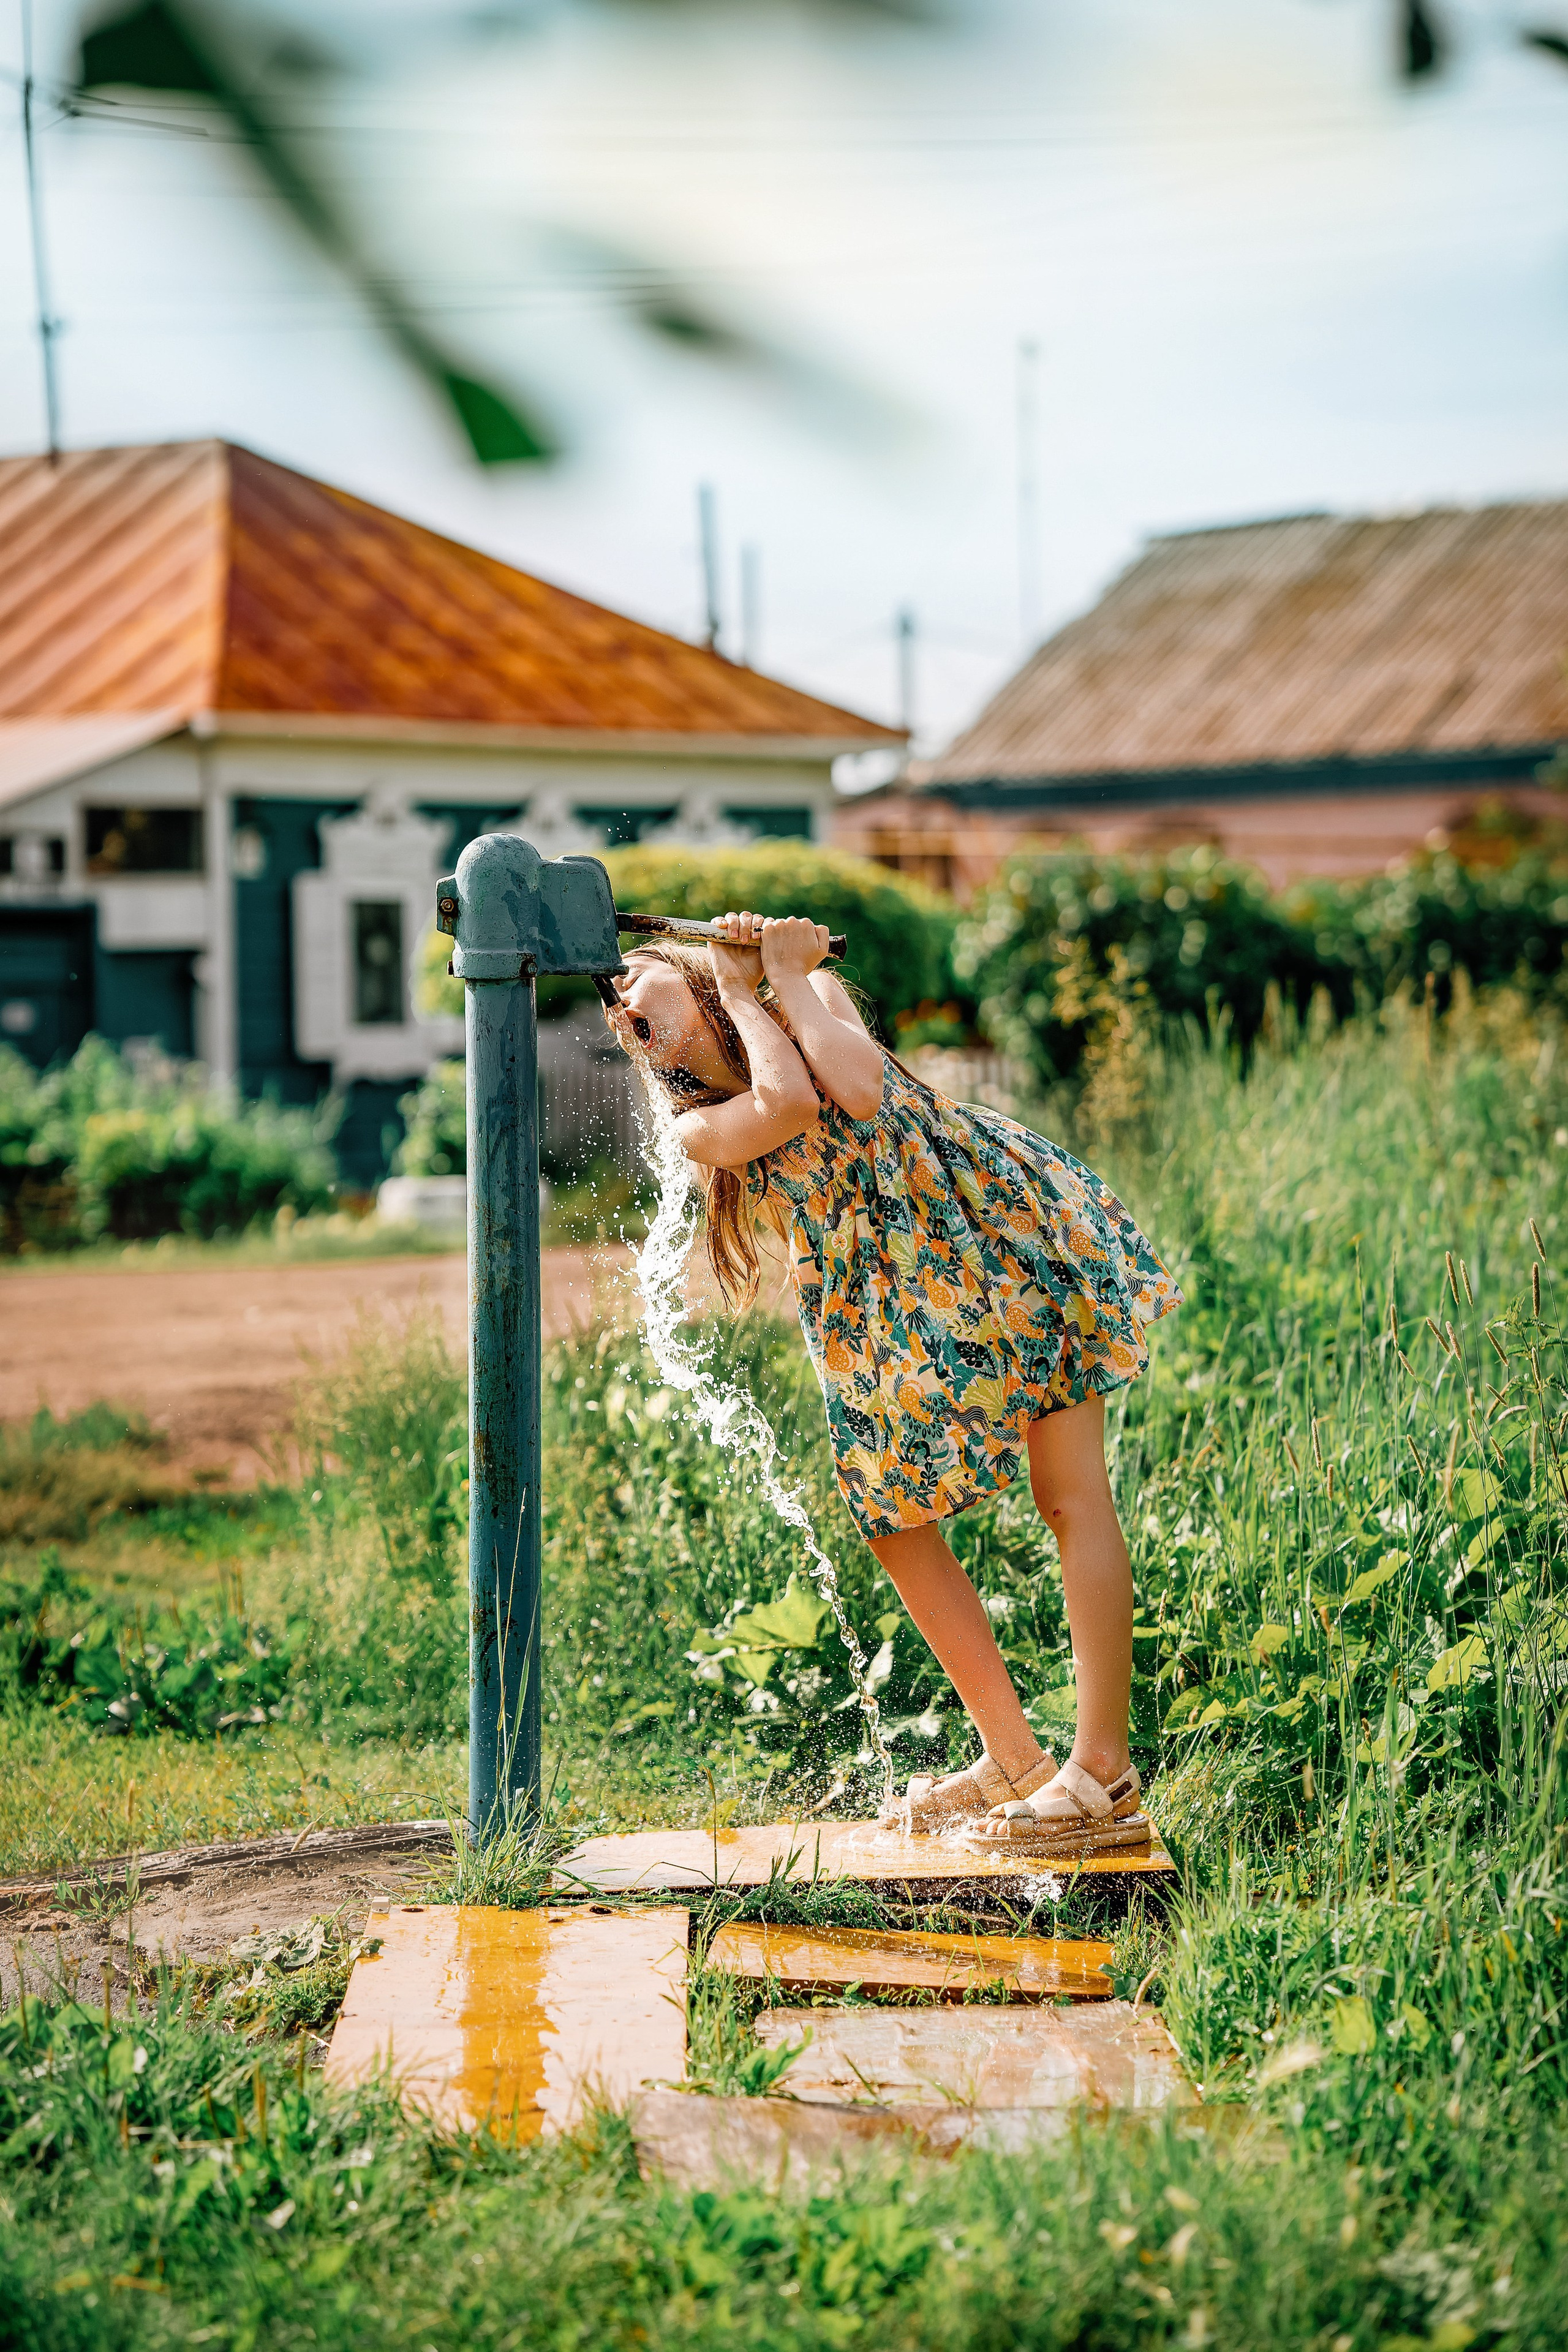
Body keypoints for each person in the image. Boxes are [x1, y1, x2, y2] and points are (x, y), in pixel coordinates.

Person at [605, 910, 1182, 1854]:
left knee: (1070, 1495)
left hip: (998, 1238)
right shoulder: (696, 1130)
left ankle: (1101, 1770)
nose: (616, 999)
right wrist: (751, 994)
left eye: (626, 974)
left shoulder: (813, 999)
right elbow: (786, 1108)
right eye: (608, 1005)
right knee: (892, 1518)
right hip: (888, 1305)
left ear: (685, 960)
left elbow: (859, 1088)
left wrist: (782, 984)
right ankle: (1015, 1760)